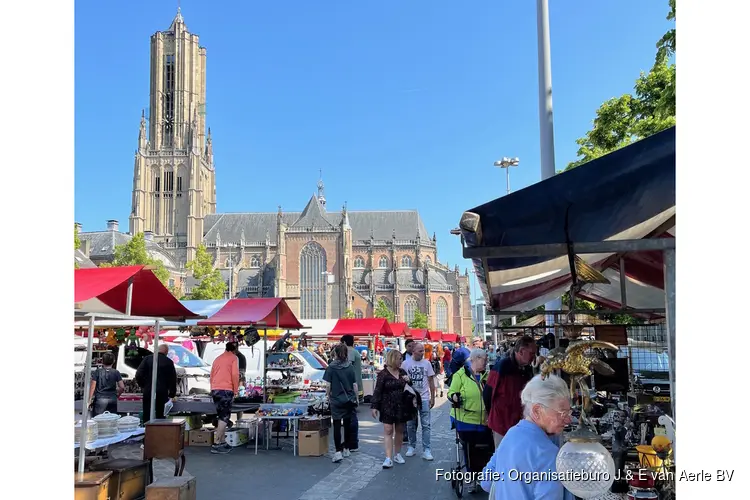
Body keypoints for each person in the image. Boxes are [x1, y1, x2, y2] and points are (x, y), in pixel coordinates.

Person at [481, 374, 573, 499]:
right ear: (537, 411)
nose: (568, 419)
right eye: (562, 413)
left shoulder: (510, 435)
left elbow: (486, 482)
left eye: (569, 412)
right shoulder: (548, 454)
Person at [449, 348, 493, 493]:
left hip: (484, 420)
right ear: (474, 359)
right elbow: (451, 392)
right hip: (465, 420)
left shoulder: (488, 375)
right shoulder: (460, 375)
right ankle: (472, 478)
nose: (486, 362)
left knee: (485, 449)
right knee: (470, 449)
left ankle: (483, 476)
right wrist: (454, 396)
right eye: (484, 359)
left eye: (486, 359)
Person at [483, 335, 536, 447]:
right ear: (521, 351)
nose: (534, 356)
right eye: (531, 353)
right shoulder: (502, 366)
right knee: (503, 458)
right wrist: (490, 414)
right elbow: (487, 393)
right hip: (502, 424)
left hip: (519, 423)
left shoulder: (527, 369)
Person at [371, 349, 418, 469]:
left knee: (400, 430)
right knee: (388, 430)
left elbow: (410, 385)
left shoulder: (402, 372)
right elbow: (378, 391)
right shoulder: (383, 374)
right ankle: (388, 458)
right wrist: (374, 406)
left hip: (401, 405)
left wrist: (409, 380)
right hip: (387, 405)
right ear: (393, 359)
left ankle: (397, 454)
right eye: (399, 359)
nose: (401, 361)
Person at [324, 343, 358, 463]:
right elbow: (354, 385)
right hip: (348, 399)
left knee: (337, 425)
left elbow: (328, 385)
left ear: (335, 353)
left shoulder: (331, 367)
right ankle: (347, 448)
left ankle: (338, 451)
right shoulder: (350, 367)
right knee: (348, 424)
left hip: (336, 400)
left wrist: (328, 396)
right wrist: (356, 399)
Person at [401, 342, 436, 461]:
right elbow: (401, 381)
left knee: (426, 425)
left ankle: (427, 449)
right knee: (410, 424)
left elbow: (431, 380)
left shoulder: (427, 363)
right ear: (413, 351)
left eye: (423, 351)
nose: (423, 353)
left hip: (424, 398)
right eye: (420, 351)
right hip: (410, 398)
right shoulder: (405, 364)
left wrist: (433, 397)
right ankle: (411, 446)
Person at [209, 342, 240, 454]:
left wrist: (212, 387)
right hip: (226, 390)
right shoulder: (234, 358)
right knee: (224, 417)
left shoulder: (217, 359)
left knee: (220, 415)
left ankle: (222, 441)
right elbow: (235, 375)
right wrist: (236, 389)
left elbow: (211, 375)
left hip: (215, 389)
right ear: (235, 349)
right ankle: (217, 443)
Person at [135, 344, 177, 424]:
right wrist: (172, 394)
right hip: (162, 391)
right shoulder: (169, 362)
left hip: (148, 390)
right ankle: (158, 432)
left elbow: (139, 374)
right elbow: (172, 379)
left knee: (147, 412)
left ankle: (146, 430)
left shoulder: (147, 359)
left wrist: (143, 385)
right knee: (160, 415)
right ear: (166, 352)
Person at [341, 335, 362, 451]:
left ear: (344, 342)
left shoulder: (350, 352)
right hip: (355, 385)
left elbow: (347, 366)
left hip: (351, 386)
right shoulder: (355, 351)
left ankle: (352, 443)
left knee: (351, 415)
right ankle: (352, 442)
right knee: (351, 414)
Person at [88, 352, 125, 416]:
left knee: (98, 421)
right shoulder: (116, 372)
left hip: (100, 399)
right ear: (114, 361)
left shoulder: (97, 372)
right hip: (112, 399)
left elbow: (92, 387)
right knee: (112, 420)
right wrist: (117, 395)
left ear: (102, 361)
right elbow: (122, 387)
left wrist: (90, 399)